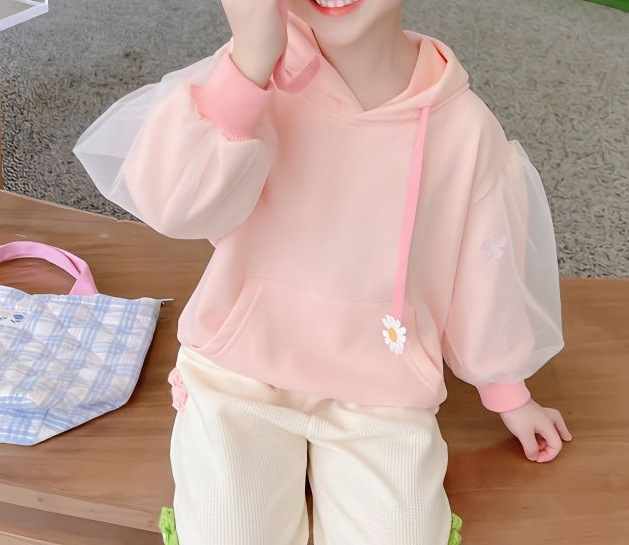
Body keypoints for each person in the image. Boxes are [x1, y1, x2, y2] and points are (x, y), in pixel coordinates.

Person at [74, 0, 573, 543]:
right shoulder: (251, 73)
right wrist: (251, 61)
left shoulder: (466, 127)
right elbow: (175, 206)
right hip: (239, 372)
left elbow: (482, 268)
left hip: (383, 388)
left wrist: (507, 390)